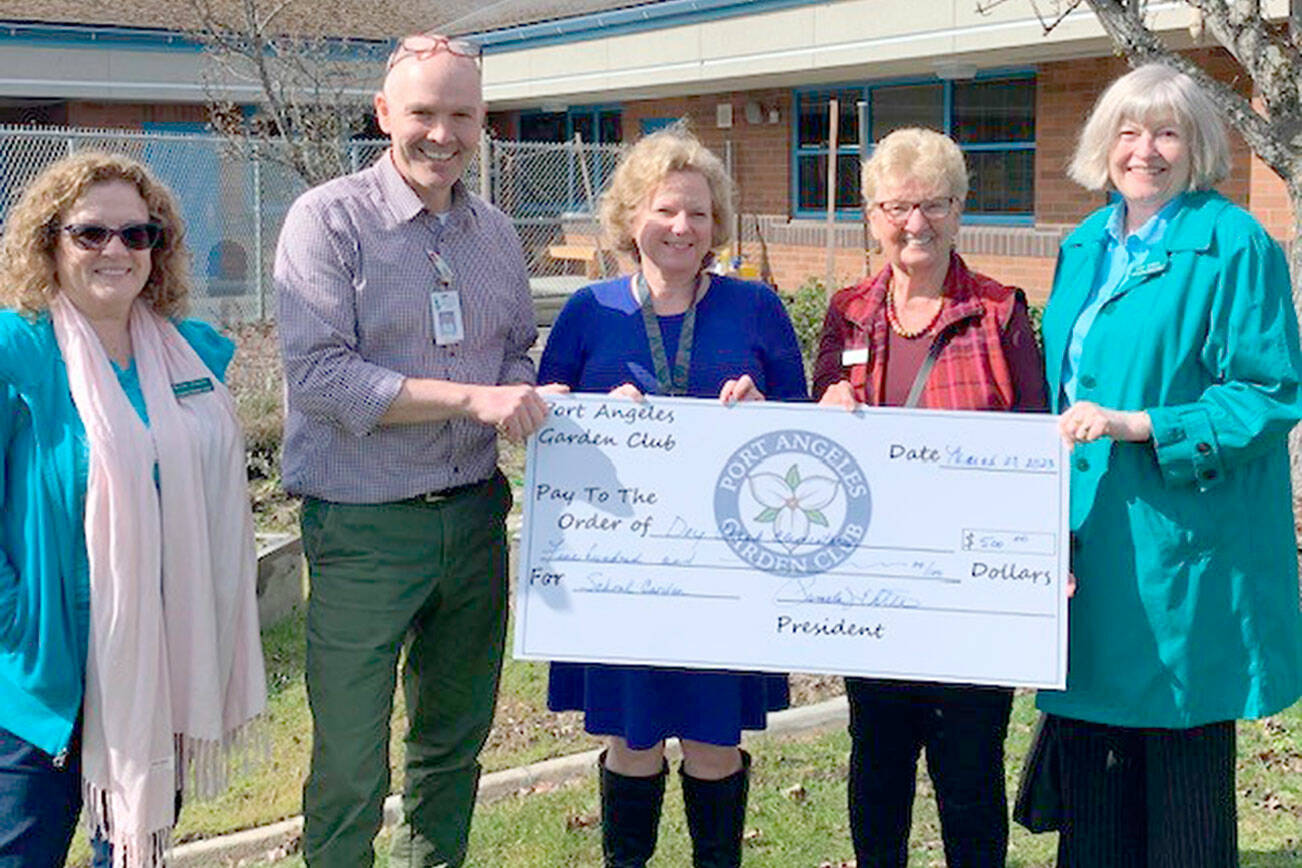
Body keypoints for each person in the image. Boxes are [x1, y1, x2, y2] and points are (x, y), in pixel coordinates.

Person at [274, 31, 561, 868]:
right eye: (424, 113)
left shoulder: (496, 232)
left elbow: (514, 351)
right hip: (365, 529)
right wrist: (475, 397)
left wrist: (529, 392)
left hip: (473, 522)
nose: (444, 134)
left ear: (483, 121)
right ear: (383, 114)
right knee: (352, 760)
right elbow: (324, 376)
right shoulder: (328, 221)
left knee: (452, 744)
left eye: (462, 115)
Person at [1016, 62, 1302, 867]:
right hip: (1092, 541)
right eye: (1129, 131)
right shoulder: (1082, 246)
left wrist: (1142, 423)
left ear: (1198, 144)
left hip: (1184, 551)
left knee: (1181, 783)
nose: (1146, 149)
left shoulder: (1234, 244)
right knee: (1096, 775)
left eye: (1167, 131)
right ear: (1104, 145)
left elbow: (1269, 393)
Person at [540, 126, 807, 868]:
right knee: (631, 740)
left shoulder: (754, 309)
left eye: (697, 213)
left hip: (727, 575)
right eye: (664, 211)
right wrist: (589, 411)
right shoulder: (588, 312)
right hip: (624, 574)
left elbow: (805, 420)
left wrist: (766, 409)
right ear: (631, 218)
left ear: (716, 224)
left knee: (714, 742)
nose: (682, 227)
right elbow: (542, 414)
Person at [0, 151, 267, 868]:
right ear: (48, 240)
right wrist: (15, 619)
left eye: (137, 234)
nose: (115, 250)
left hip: (164, 658)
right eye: (90, 234)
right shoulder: (15, 351)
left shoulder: (190, 355)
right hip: (41, 675)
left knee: (129, 852)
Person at [812, 127, 1046, 867]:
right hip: (870, 585)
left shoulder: (1000, 311)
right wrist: (824, 399)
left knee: (969, 771)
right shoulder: (847, 310)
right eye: (897, 206)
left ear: (960, 208)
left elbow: (1036, 442)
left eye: (934, 205)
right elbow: (811, 418)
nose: (916, 224)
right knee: (877, 764)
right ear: (871, 214)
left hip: (971, 588)